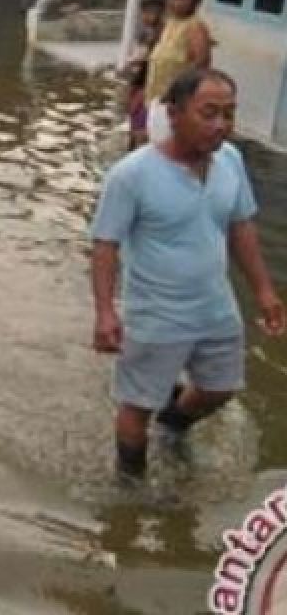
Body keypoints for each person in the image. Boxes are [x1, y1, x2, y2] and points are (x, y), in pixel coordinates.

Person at [91, 68, 285, 483]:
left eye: (228, 114)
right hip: (156, 313)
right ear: (174, 114)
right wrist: (106, 313)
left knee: (221, 389)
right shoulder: (132, 175)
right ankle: (130, 486)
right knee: (136, 405)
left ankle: (174, 424)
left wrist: (265, 291)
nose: (221, 125)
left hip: (215, 305)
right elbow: (105, 244)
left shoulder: (230, 161)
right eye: (209, 113)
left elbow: (241, 227)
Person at [146, 0, 212, 144]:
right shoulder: (169, 23)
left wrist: (178, 91)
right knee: (156, 139)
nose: (176, 2)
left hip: (176, 98)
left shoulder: (195, 26)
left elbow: (201, 62)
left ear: (195, 1)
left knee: (169, 141)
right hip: (157, 93)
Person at [122, 0, 165, 150]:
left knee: (141, 126)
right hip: (139, 82)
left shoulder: (162, 35)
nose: (146, 17)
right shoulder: (148, 33)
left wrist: (134, 62)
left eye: (152, 12)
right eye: (145, 13)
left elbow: (148, 59)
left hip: (147, 85)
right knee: (135, 123)